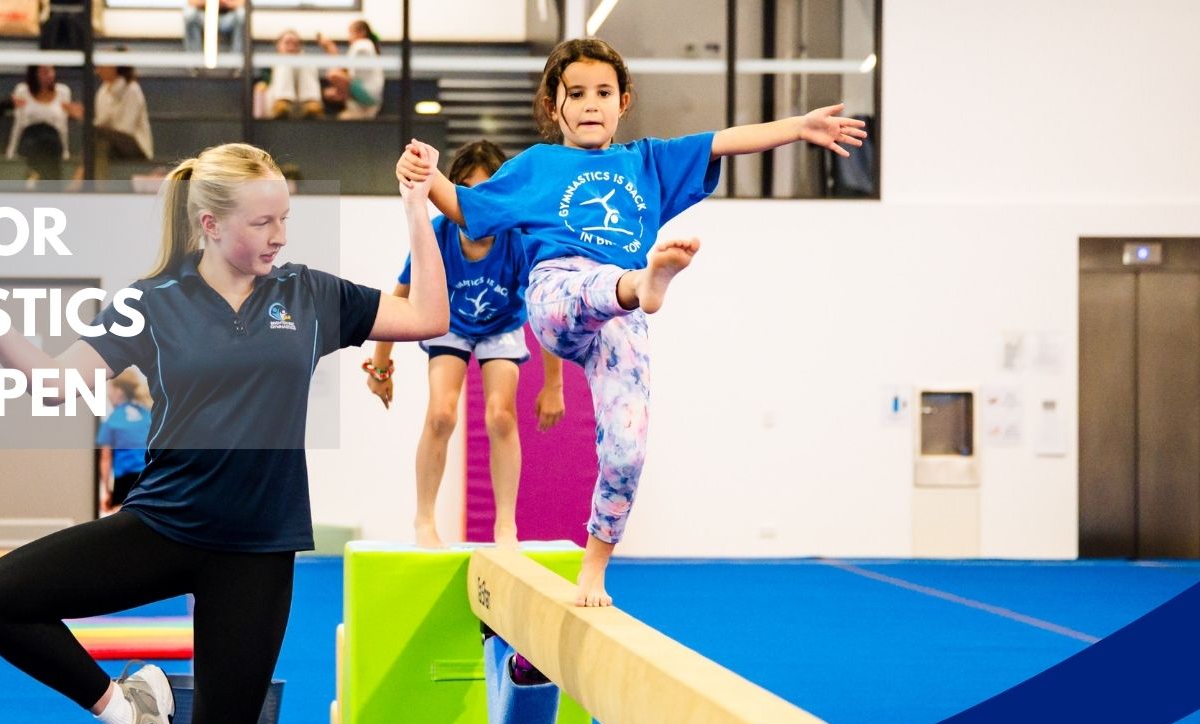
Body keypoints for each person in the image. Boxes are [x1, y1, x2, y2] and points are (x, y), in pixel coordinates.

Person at [0, 139, 448, 724]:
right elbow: (52, 384)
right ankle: (128, 714)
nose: (279, 235)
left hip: (257, 551)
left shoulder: (311, 294)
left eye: (284, 218)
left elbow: (429, 316)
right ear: (210, 224)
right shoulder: (153, 301)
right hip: (164, 526)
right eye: (262, 222)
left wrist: (417, 208)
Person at [396, 37, 866, 606]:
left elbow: (724, 139)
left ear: (623, 102)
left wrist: (798, 127)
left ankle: (594, 570)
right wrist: (426, 173)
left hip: (621, 319)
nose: (590, 104)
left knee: (628, 446)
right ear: (552, 105)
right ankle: (642, 283)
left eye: (603, 92)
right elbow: (464, 207)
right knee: (596, 288)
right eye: (576, 94)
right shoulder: (538, 166)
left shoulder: (646, 162)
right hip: (559, 292)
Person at [365, 141, 565, 547]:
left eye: (487, 193)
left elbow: (544, 312)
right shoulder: (438, 234)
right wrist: (380, 367)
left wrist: (554, 386)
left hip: (501, 326)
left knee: (500, 416)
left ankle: (505, 525)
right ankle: (424, 520)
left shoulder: (516, 239)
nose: (476, 206)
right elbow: (398, 299)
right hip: (450, 323)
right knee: (441, 413)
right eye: (467, 192)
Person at [75, 61, 153, 183]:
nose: (98, 71)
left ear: (113, 67)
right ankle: (99, 187)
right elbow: (100, 122)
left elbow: (126, 129)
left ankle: (79, 177)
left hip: (135, 145)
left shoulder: (132, 89)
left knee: (96, 134)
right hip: (111, 143)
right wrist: (85, 117)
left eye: (101, 66)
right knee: (101, 145)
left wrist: (98, 124)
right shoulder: (103, 90)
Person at [6, 65, 82, 184]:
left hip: (52, 140)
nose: (50, 75)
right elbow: (18, 123)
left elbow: (63, 126)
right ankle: (33, 179)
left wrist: (65, 150)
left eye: (52, 70)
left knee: (49, 145)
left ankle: (49, 184)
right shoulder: (22, 90)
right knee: (36, 147)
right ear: (35, 74)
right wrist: (11, 150)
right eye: (45, 72)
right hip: (30, 139)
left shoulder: (63, 91)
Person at [96, 369, 151, 515]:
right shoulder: (147, 414)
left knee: (122, 520)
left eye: (109, 389)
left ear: (119, 392)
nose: (108, 395)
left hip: (125, 481)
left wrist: (106, 490)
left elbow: (105, 458)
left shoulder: (113, 419)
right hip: (148, 479)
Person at [318, 21, 384, 121]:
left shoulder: (362, 45)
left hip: (368, 94)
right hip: (366, 92)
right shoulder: (366, 46)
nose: (349, 37)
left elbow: (345, 71)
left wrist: (331, 49)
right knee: (329, 92)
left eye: (351, 33)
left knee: (333, 75)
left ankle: (360, 109)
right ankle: (355, 107)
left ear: (361, 32)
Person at [258, 30, 323, 120]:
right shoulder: (269, 64)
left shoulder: (305, 64)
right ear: (278, 45)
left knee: (307, 62)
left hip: (301, 106)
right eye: (287, 43)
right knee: (284, 62)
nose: (291, 47)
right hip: (274, 103)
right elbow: (264, 82)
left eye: (295, 44)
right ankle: (282, 104)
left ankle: (311, 104)